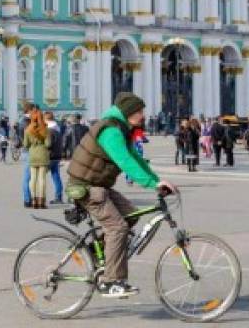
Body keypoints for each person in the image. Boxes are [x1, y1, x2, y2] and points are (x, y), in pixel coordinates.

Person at [66, 92, 177, 299]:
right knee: (117, 228)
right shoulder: (110, 131)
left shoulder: (121, 128)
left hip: (99, 185)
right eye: (140, 111)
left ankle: (98, 253)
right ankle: (110, 282)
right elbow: (124, 160)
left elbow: (136, 157)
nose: (143, 115)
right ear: (129, 113)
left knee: (131, 215)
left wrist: (157, 180)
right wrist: (152, 183)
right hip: (85, 186)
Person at [24, 108, 51, 209]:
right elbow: (48, 144)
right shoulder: (45, 129)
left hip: (32, 155)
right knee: (42, 179)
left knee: (33, 179)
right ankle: (41, 202)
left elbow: (25, 145)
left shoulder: (28, 130)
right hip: (43, 155)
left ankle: (33, 200)